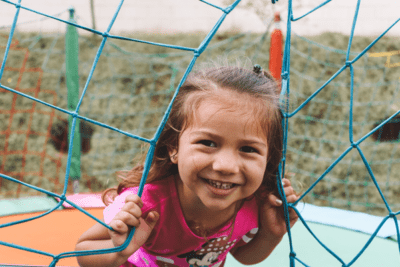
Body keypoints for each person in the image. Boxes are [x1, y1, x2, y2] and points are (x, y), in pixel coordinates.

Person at [75, 63, 299, 267]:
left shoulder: (256, 202)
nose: (226, 166)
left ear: (268, 159)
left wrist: (271, 234)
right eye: (208, 143)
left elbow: (242, 256)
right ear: (174, 147)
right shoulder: (146, 204)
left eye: (248, 149)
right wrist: (118, 251)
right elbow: (82, 251)